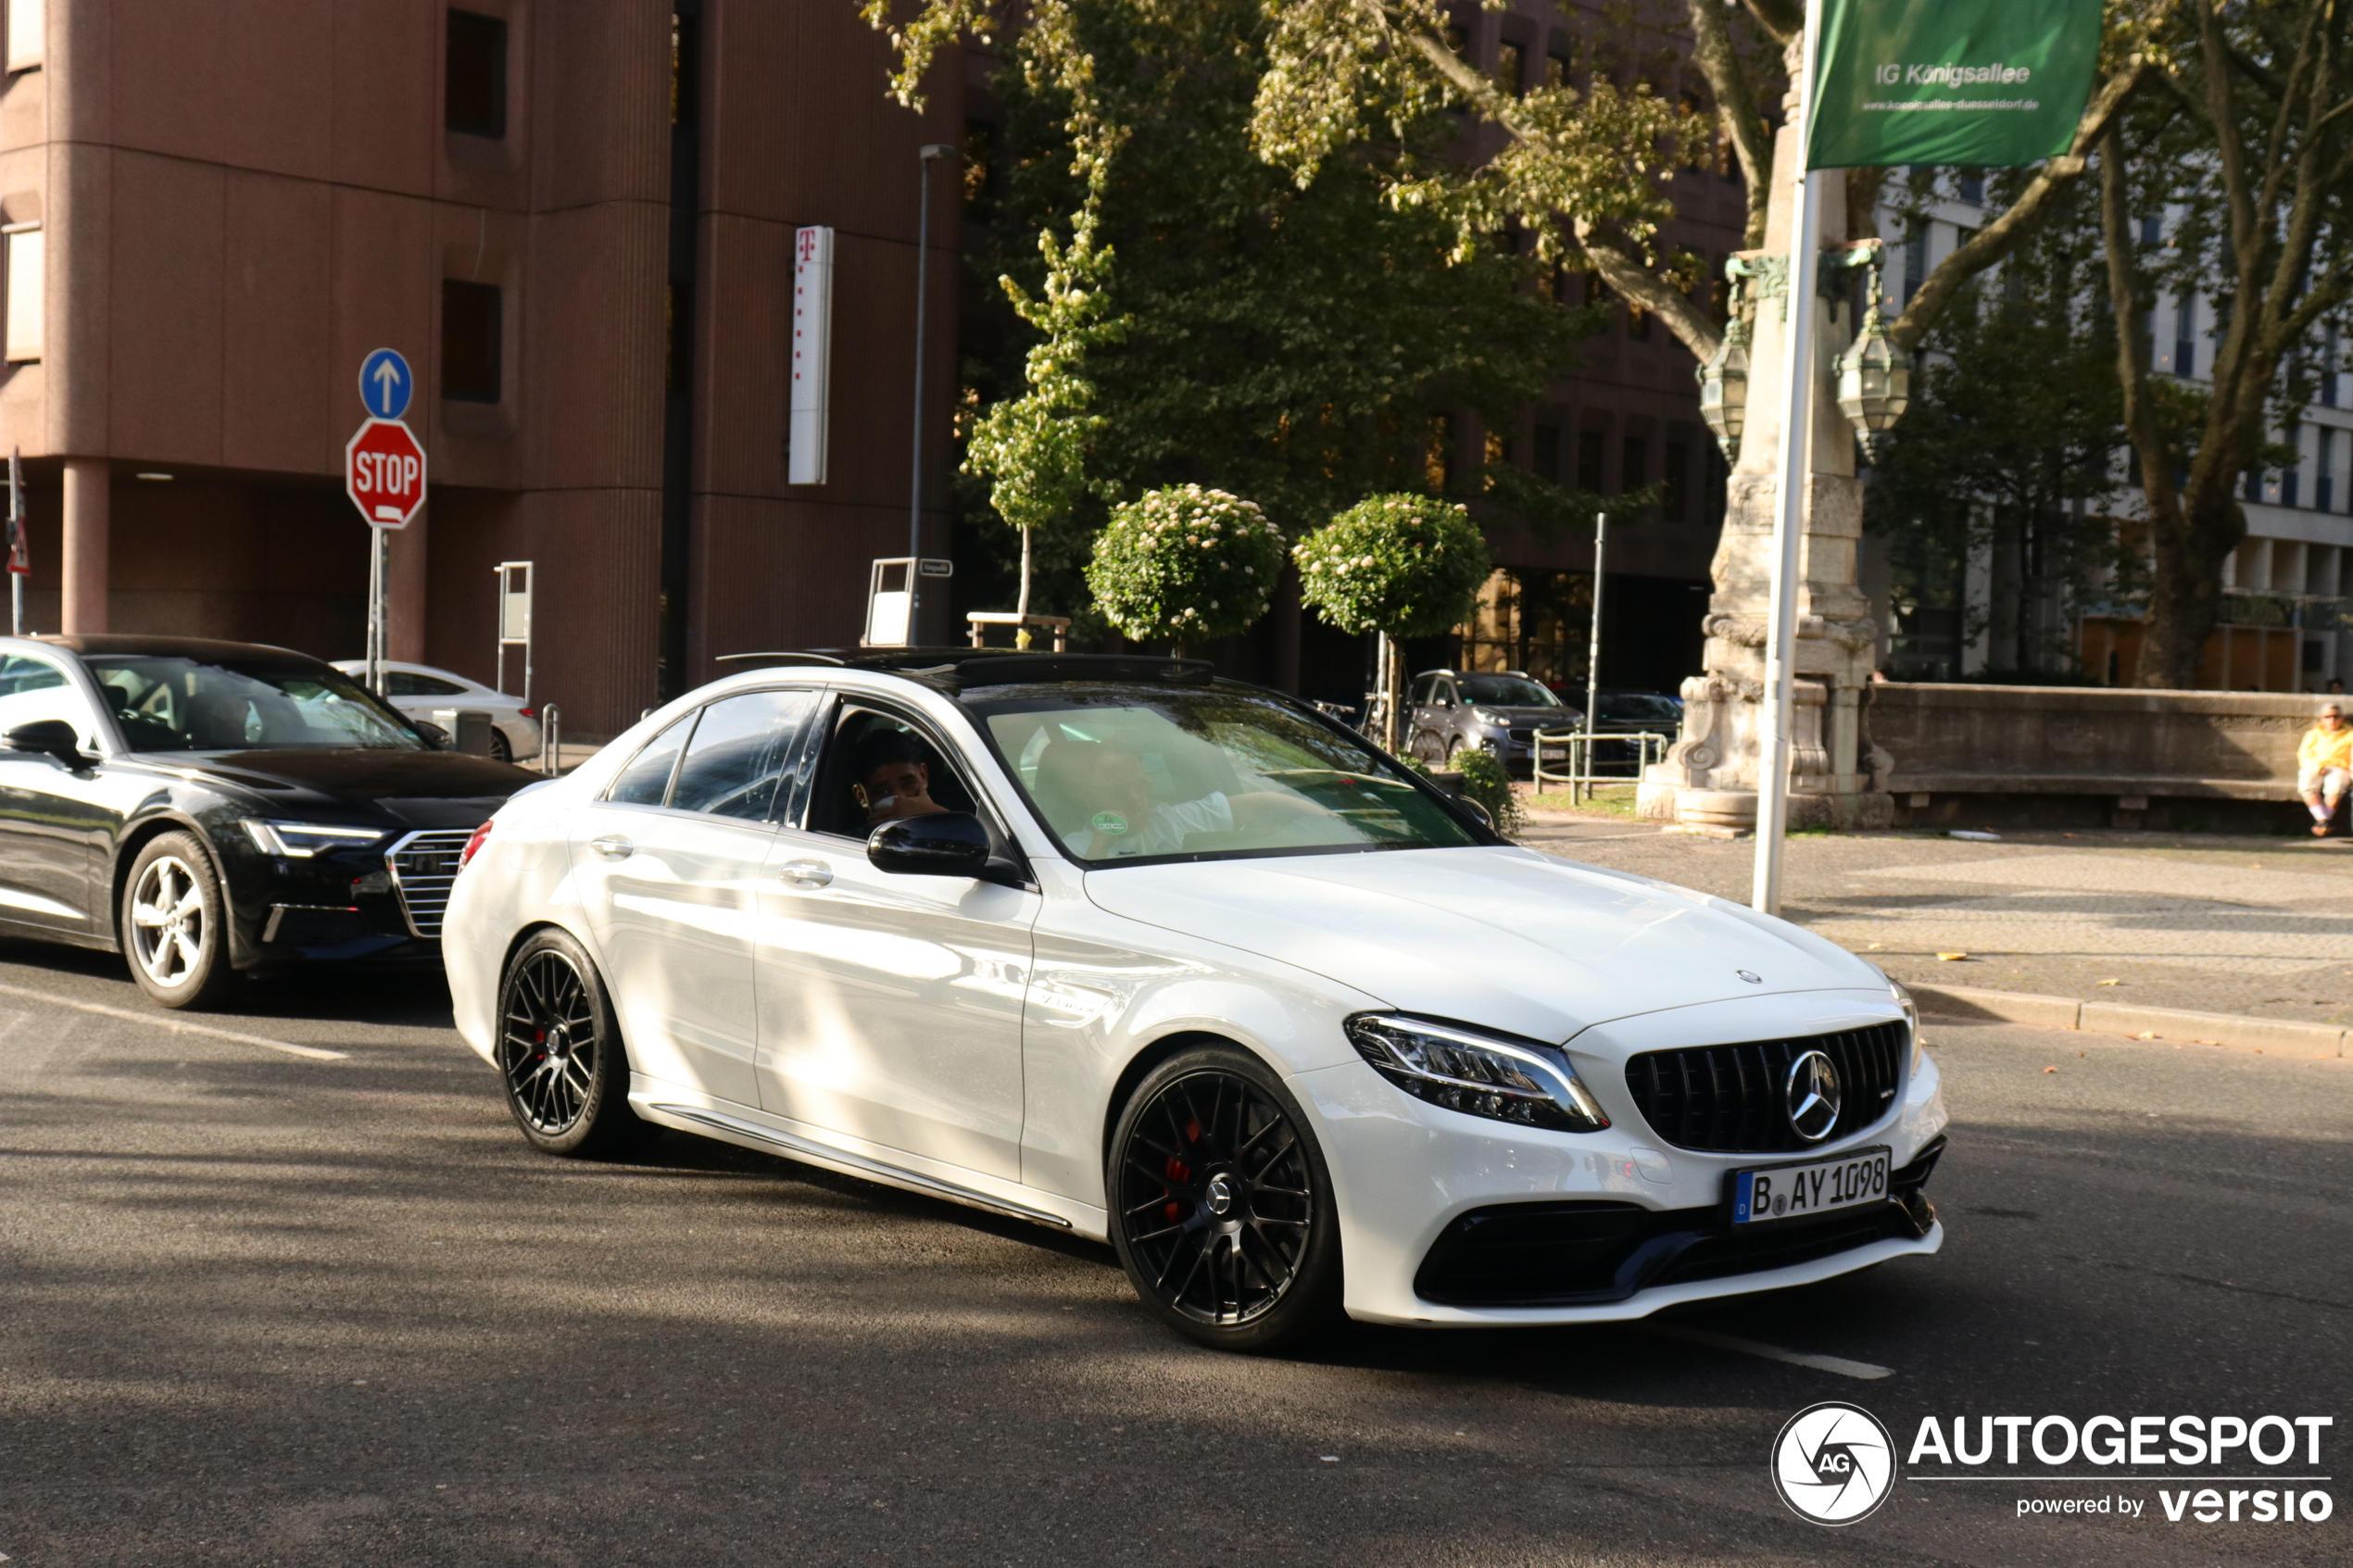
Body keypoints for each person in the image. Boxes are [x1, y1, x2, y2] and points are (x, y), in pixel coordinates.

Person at [1036, 737, 1320, 859]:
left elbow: (1267, 801)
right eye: (1122, 790)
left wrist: (1333, 821)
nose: (1138, 799)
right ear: (1088, 796)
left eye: (1142, 787)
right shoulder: (1076, 847)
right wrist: (1102, 840)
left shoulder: (1167, 819)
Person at [849, 729, 951, 828]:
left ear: (923, 775)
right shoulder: (852, 842)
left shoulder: (958, 811)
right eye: (883, 791)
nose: (901, 800)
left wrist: (933, 815)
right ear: (861, 796)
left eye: (908, 784)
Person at [2296, 702, 2351, 838]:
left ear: (2342, 718)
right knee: (2306, 786)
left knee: (2335, 788)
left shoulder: (2350, 734)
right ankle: (2324, 821)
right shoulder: (2313, 734)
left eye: (2336, 716)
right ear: (2322, 718)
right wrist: (2317, 768)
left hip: (2339, 767)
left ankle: (2321, 823)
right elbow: (2303, 754)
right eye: (2328, 717)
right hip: (2315, 766)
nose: (2332, 720)